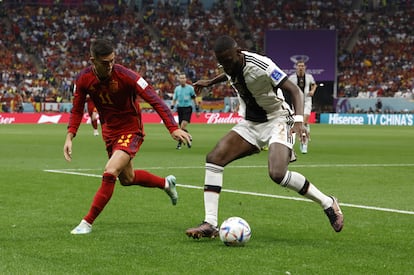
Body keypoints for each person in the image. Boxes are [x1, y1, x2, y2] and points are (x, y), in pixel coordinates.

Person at [185, 35, 343, 239]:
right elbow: (231, 73)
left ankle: (328, 203)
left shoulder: (262, 64)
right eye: (221, 63)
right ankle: (210, 224)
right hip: (250, 123)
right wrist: (210, 82)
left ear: (239, 52)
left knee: (277, 173)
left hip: (278, 119)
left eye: (228, 61)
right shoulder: (230, 64)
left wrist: (298, 121)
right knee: (214, 158)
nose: (225, 65)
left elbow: (294, 90)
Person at [63, 38, 192, 234]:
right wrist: (69, 136)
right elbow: (77, 109)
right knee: (127, 178)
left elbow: (155, 100)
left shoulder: (127, 76)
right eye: (105, 63)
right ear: (93, 61)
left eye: (112, 61)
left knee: (110, 171)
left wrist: (172, 127)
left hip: (131, 129)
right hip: (109, 132)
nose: (110, 66)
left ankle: (86, 223)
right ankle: (166, 183)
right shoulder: (83, 79)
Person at [288, 61, 317, 154]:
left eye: (302, 66)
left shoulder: (309, 77)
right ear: (296, 67)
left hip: (307, 101)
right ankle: (290, 145)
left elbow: (314, 84)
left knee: (304, 122)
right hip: (295, 103)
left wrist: (312, 91)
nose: (301, 67)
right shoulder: (291, 78)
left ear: (305, 67)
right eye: (299, 66)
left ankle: (304, 143)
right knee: (293, 123)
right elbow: (287, 88)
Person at [170, 73, 199, 149]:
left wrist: (197, 109)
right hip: (180, 109)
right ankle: (188, 136)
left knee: (183, 126)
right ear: (179, 79)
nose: (182, 80)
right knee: (181, 128)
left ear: (186, 79)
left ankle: (181, 143)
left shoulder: (190, 88)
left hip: (188, 108)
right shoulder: (177, 89)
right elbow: (174, 99)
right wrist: (172, 107)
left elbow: (194, 98)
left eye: (184, 78)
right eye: (181, 78)